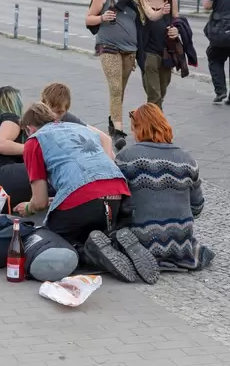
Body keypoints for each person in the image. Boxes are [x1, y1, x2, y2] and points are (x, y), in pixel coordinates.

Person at [15, 103, 158, 284]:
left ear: (29, 128)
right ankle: (115, 243)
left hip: (83, 200)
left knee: (53, 238)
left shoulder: (34, 141)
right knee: (88, 223)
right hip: (117, 195)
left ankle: (89, 253)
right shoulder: (80, 128)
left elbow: (40, 202)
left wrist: (28, 208)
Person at [115, 103, 214, 273]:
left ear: (139, 129)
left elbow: (116, 203)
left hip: (140, 239)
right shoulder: (188, 160)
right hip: (182, 242)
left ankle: (139, 253)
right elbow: (197, 208)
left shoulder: (126, 158)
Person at [85, 0, 169, 151]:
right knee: (115, 88)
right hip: (108, 47)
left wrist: (161, 12)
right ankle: (118, 132)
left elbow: (150, 14)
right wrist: (102, 18)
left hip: (130, 50)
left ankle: (111, 122)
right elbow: (89, 19)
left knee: (120, 90)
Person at [40, 82, 115, 159]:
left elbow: (106, 139)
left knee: (111, 153)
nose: (55, 116)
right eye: (51, 111)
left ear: (66, 110)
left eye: (60, 112)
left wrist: (109, 164)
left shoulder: (68, 118)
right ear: (43, 105)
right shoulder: (34, 120)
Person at [140, 0, 179, 109]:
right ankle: (157, 127)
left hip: (166, 51)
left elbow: (177, 21)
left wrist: (176, 30)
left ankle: (150, 120)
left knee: (161, 91)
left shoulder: (170, 0)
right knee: (154, 95)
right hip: (147, 51)